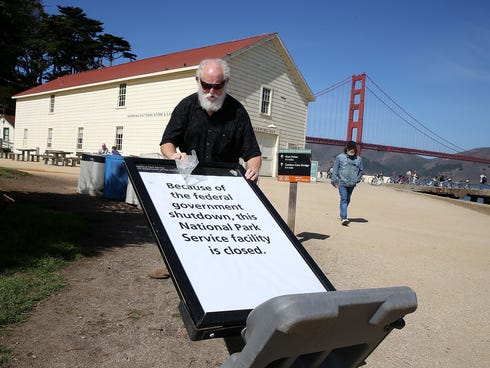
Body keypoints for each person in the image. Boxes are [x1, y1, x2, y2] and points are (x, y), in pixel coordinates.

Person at [148, 58, 262, 279]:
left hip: (225, 181)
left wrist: (254, 169)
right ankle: (175, 265)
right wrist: (173, 155)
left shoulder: (238, 112)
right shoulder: (186, 106)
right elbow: (167, 142)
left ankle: (224, 271)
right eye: (206, 85)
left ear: (226, 82)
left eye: (217, 86)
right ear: (197, 80)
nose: (211, 91)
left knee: (224, 230)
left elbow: (253, 153)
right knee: (184, 226)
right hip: (190, 175)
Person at [331, 140, 363, 226]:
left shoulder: (359, 159)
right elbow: (335, 169)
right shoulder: (340, 157)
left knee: (348, 199)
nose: (352, 150)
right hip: (342, 182)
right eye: (350, 148)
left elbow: (361, 171)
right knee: (344, 199)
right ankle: (344, 217)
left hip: (352, 184)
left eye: (353, 148)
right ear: (346, 148)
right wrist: (333, 181)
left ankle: (342, 212)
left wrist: (358, 179)